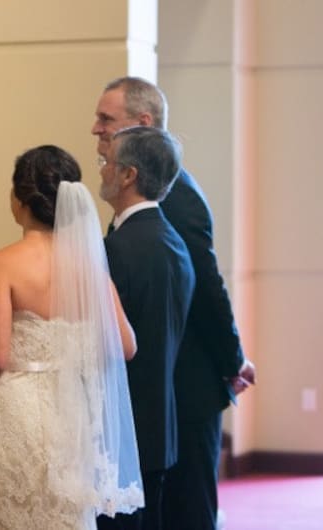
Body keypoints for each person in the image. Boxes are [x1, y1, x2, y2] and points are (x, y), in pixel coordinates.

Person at [92, 77, 256, 530]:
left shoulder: (175, 198)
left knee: (188, 513)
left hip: (184, 386)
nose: (95, 129)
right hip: (163, 386)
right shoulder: (149, 191)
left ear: (142, 124)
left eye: (106, 119)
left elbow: (206, 285)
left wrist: (232, 359)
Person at [0, 145, 144, 529]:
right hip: (69, 417)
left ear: (20, 199)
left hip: (15, 413)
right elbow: (127, 346)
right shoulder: (89, 268)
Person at [98, 126, 196, 530]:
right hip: (161, 429)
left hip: (120, 433)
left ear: (128, 176)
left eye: (107, 162)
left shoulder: (116, 250)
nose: (101, 170)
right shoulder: (176, 244)